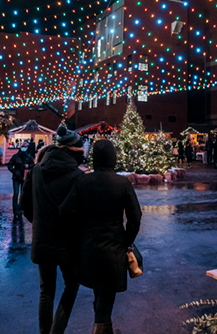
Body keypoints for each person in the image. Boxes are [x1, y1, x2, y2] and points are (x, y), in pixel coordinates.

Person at [60, 140, 142, 334]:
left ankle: (103, 326)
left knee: (99, 291)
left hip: (88, 245)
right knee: (107, 294)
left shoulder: (83, 181)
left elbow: (65, 211)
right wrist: (126, 240)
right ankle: (102, 328)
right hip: (114, 245)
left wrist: (80, 229)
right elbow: (135, 217)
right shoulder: (122, 183)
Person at [21, 126, 86, 334]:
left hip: (42, 239)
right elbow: (81, 211)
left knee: (46, 290)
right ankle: (57, 331)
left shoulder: (36, 170)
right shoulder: (77, 176)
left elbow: (24, 204)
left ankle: (45, 332)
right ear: (74, 151)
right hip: (68, 243)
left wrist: (38, 221)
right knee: (72, 284)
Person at [7, 143, 34, 220]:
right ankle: (15, 210)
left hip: (24, 177)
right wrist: (14, 171)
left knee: (23, 194)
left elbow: (33, 165)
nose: (24, 148)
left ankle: (20, 208)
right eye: (23, 147)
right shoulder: (16, 156)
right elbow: (9, 165)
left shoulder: (29, 157)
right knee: (16, 194)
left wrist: (28, 166)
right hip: (16, 177)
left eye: (25, 147)